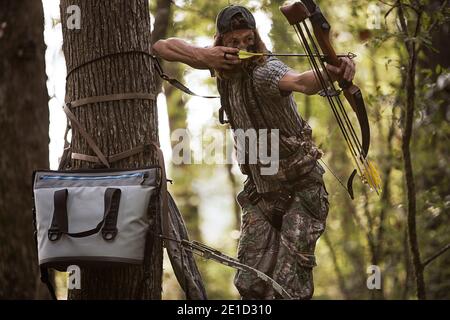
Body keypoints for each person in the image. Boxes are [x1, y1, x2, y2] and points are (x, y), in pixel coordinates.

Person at [152, 5, 356, 299]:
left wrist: (333, 71)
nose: (242, 48)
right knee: (250, 285)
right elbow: (162, 46)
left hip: (302, 191)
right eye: (233, 42)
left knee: (288, 290)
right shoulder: (221, 69)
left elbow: (300, 81)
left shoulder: (265, 71)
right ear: (220, 42)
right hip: (261, 193)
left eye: (248, 40)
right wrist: (204, 55)